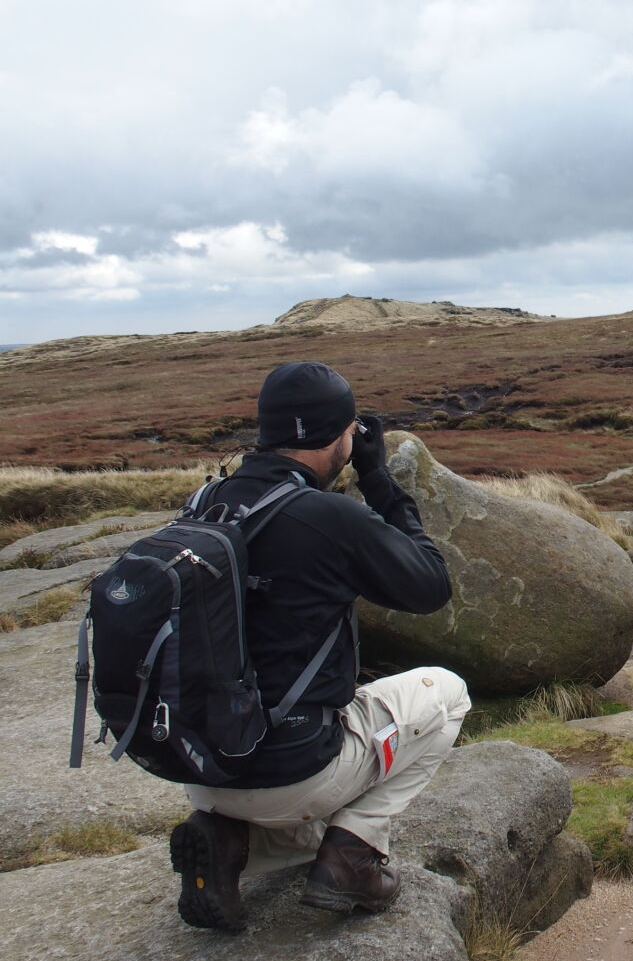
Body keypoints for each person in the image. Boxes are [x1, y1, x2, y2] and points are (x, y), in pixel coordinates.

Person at [167, 360, 470, 932]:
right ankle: (353, 856)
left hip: (202, 766)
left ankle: (230, 841)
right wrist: (378, 479)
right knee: (448, 692)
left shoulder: (204, 503)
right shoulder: (329, 517)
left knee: (296, 822)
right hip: (296, 768)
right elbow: (431, 585)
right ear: (341, 436)